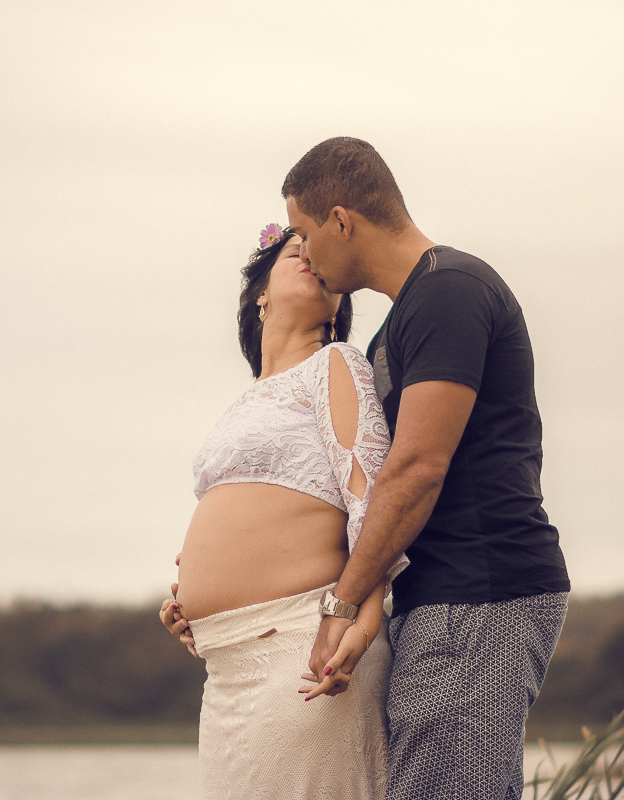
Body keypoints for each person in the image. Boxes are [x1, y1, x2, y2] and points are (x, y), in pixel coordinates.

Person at [281, 137, 572, 800]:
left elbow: (415, 469)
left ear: (341, 220)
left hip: (481, 591)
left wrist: (344, 601)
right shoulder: (400, 323)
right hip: (444, 597)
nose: (302, 252)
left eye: (302, 232)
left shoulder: (450, 291)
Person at [159, 224, 408, 800]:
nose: (311, 258)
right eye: (296, 251)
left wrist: (363, 625)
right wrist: (189, 599)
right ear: (260, 294)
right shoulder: (245, 401)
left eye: (320, 259)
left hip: (302, 652)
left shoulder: (336, 366)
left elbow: (370, 511)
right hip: (225, 672)